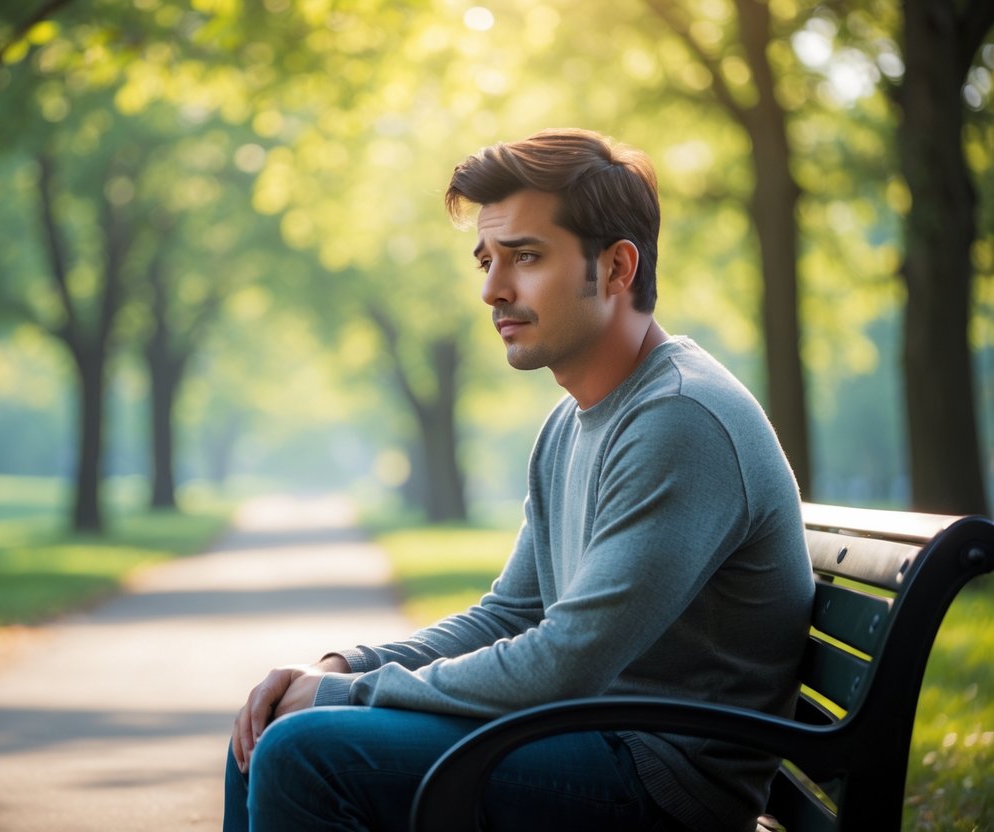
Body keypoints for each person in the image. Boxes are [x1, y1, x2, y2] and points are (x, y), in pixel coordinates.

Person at [224, 128, 815, 832]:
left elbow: (565, 662)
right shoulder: (573, 421)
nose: (491, 290)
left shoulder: (678, 419)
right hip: (589, 738)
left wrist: (344, 696)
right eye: (485, 260)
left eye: (525, 258)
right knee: (263, 739)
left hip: (659, 781)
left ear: (617, 268)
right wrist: (343, 664)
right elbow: (509, 614)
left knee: (302, 751)